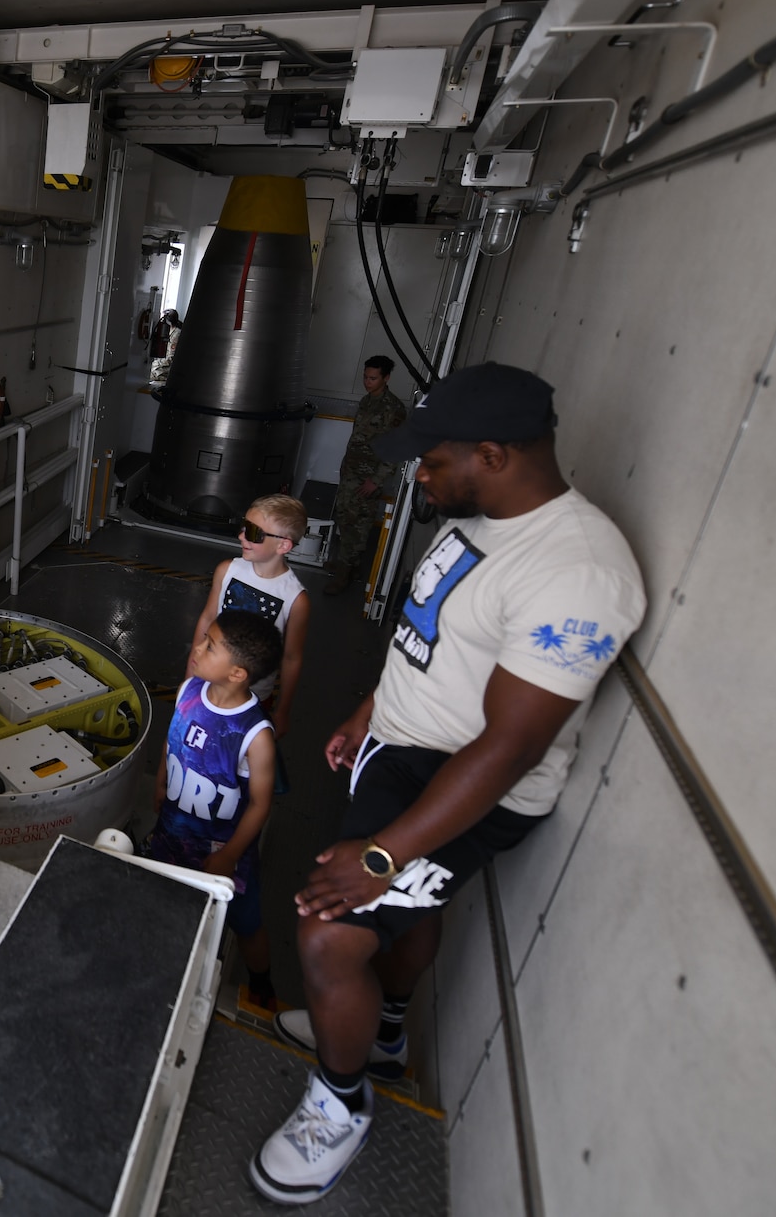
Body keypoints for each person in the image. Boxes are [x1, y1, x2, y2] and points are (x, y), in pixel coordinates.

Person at [250, 363, 645, 1206]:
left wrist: (385, 854)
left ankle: (342, 1101)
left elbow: (508, 748)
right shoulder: (484, 512)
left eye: (432, 461)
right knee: (403, 918)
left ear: (494, 454)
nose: (419, 476)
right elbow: (435, 638)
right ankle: (382, 1034)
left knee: (325, 932)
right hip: (402, 745)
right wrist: (369, 704)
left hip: (468, 782)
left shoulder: (577, 573)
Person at [148, 609, 285, 1009]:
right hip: (173, 832)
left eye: (210, 646)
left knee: (246, 923)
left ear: (237, 674)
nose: (198, 647)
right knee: (169, 898)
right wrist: (161, 779)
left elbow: (261, 804)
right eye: (203, 639)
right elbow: (171, 739)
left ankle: (262, 985)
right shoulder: (189, 689)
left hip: (223, 852)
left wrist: (229, 854)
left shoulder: (255, 735)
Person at [185, 493, 313, 744]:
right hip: (209, 681)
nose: (242, 536)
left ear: (283, 545)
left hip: (254, 695)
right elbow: (208, 618)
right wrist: (192, 670)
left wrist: (283, 710)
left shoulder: (295, 599)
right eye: (244, 528)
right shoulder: (227, 570)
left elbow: (291, 657)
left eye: (255, 533)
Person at [326, 355, 408, 597]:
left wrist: (376, 480)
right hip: (351, 472)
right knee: (345, 517)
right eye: (365, 377)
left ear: (386, 378)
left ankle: (344, 574)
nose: (367, 382)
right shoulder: (367, 401)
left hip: (367, 478)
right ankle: (350, 565)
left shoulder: (392, 409)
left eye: (373, 378)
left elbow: (394, 449)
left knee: (358, 524)